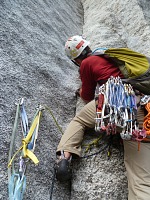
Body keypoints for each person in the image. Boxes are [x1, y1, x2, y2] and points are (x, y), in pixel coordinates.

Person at [55, 35, 150, 200]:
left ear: (75, 60)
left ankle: (65, 156)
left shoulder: (86, 63)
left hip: (115, 104)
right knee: (140, 180)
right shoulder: (109, 55)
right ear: (88, 47)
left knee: (79, 120)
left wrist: (80, 91)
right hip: (143, 108)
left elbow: (86, 95)